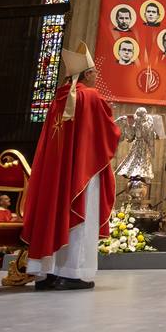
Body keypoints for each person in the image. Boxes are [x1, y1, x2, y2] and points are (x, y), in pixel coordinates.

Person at [22, 42, 121, 291]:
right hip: (82, 172)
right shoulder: (92, 96)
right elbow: (109, 134)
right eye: (95, 72)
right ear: (87, 74)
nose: (96, 76)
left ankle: (48, 273)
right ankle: (73, 273)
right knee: (80, 217)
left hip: (55, 174)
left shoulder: (58, 99)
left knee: (55, 213)